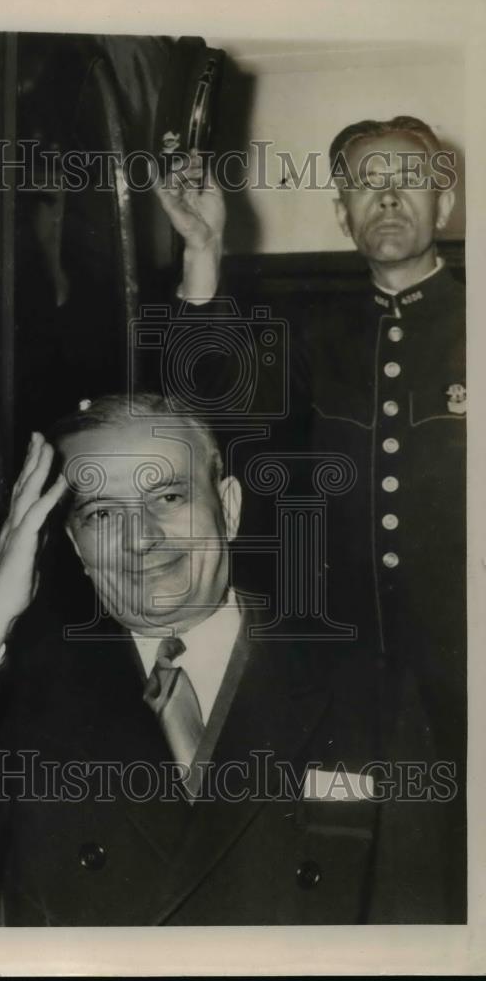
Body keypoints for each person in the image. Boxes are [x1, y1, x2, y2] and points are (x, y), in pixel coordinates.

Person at [0, 393, 453, 925]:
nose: (142, 537)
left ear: (230, 508)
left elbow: (416, 919)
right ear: (74, 544)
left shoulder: (367, 691)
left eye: (168, 497)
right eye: (103, 514)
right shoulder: (25, 692)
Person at [154, 115, 466, 919]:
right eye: (367, 181)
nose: (389, 196)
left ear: (446, 198)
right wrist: (202, 254)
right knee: (350, 879)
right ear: (341, 212)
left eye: (409, 177)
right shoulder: (310, 337)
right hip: (337, 688)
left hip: (472, 684)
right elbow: (202, 412)